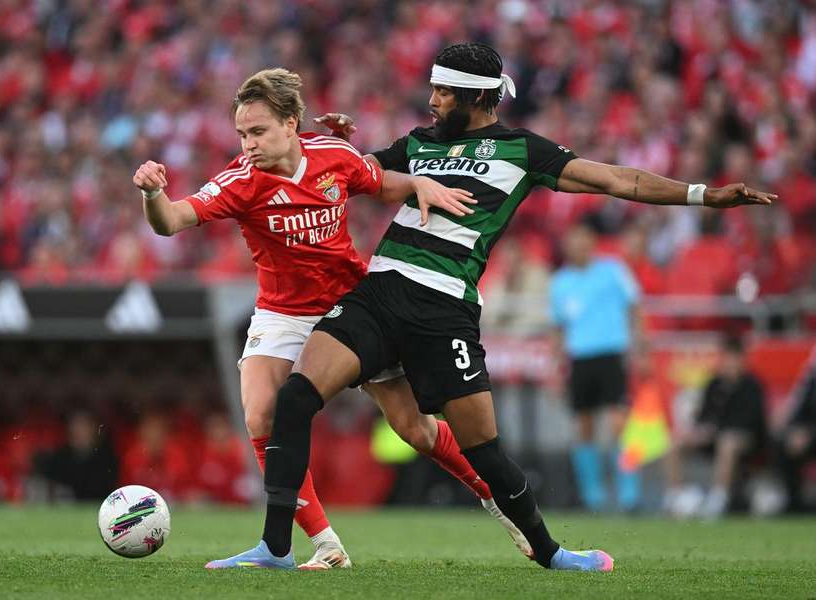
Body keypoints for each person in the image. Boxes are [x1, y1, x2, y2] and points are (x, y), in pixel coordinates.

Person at [211, 43, 775, 571]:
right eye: (432, 90)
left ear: (478, 97)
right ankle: (276, 548)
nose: (432, 101)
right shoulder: (418, 142)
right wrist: (322, 142)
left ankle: (550, 551)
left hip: (445, 308)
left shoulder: (524, 150)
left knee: (483, 449)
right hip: (378, 292)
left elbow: (617, 180)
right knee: (294, 399)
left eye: (443, 92)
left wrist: (704, 195)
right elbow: (344, 175)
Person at [132, 68, 532, 570]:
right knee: (261, 414)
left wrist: (417, 184)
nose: (248, 144)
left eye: (258, 131)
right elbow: (172, 221)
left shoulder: (332, 156)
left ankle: (495, 498)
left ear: (291, 124)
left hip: (352, 307)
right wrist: (153, 195)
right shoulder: (240, 181)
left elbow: (379, 182)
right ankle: (324, 545)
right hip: (283, 312)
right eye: (241, 134)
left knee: (416, 430)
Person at [550, 222, 642, 512]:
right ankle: (593, 496)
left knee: (619, 423)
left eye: (583, 241)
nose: (579, 247)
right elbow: (558, 328)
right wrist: (555, 366)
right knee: (585, 426)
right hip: (580, 358)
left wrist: (642, 348)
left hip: (611, 353)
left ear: (592, 243)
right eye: (573, 242)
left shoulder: (613, 271)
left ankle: (629, 493)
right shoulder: (560, 282)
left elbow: (635, 308)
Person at [664, 336, 768, 519]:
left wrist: (714, 430)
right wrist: (699, 430)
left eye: (734, 358)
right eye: (727, 358)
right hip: (713, 437)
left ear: (742, 359)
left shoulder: (753, 385)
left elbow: (751, 421)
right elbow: (704, 415)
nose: (730, 363)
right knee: (674, 442)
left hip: (747, 440)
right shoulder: (714, 383)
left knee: (728, 442)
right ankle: (675, 495)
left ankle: (718, 499)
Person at [775, 353, 816, 513]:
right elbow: (800, 406)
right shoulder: (811, 378)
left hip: (811, 433)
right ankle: (794, 500)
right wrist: (794, 429)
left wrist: (809, 432)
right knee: (781, 441)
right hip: (806, 434)